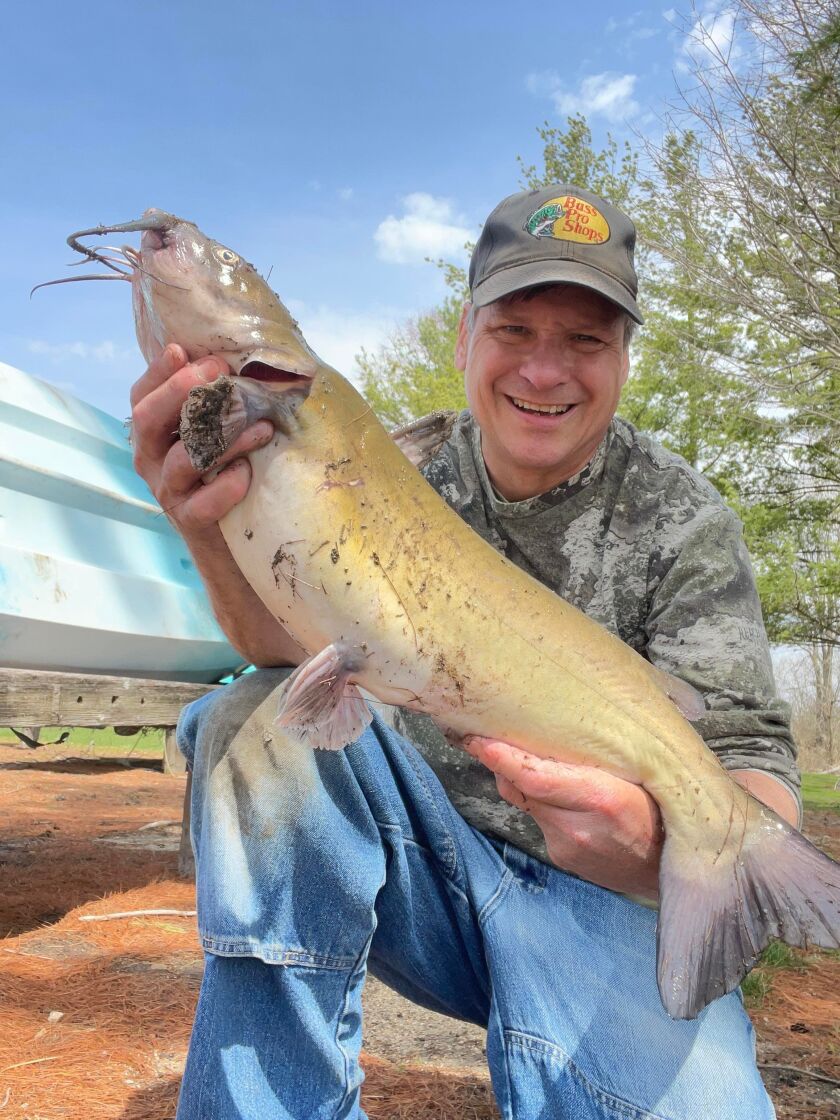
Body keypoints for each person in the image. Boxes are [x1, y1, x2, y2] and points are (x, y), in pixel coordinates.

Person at [130, 184, 800, 1119]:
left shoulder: (684, 520)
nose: (544, 369)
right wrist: (204, 522)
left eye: (586, 338)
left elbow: (753, 755)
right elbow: (281, 642)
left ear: (624, 362)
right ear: (463, 340)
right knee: (247, 719)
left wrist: (649, 852)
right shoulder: (396, 469)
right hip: (431, 874)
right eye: (515, 330)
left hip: (617, 911)